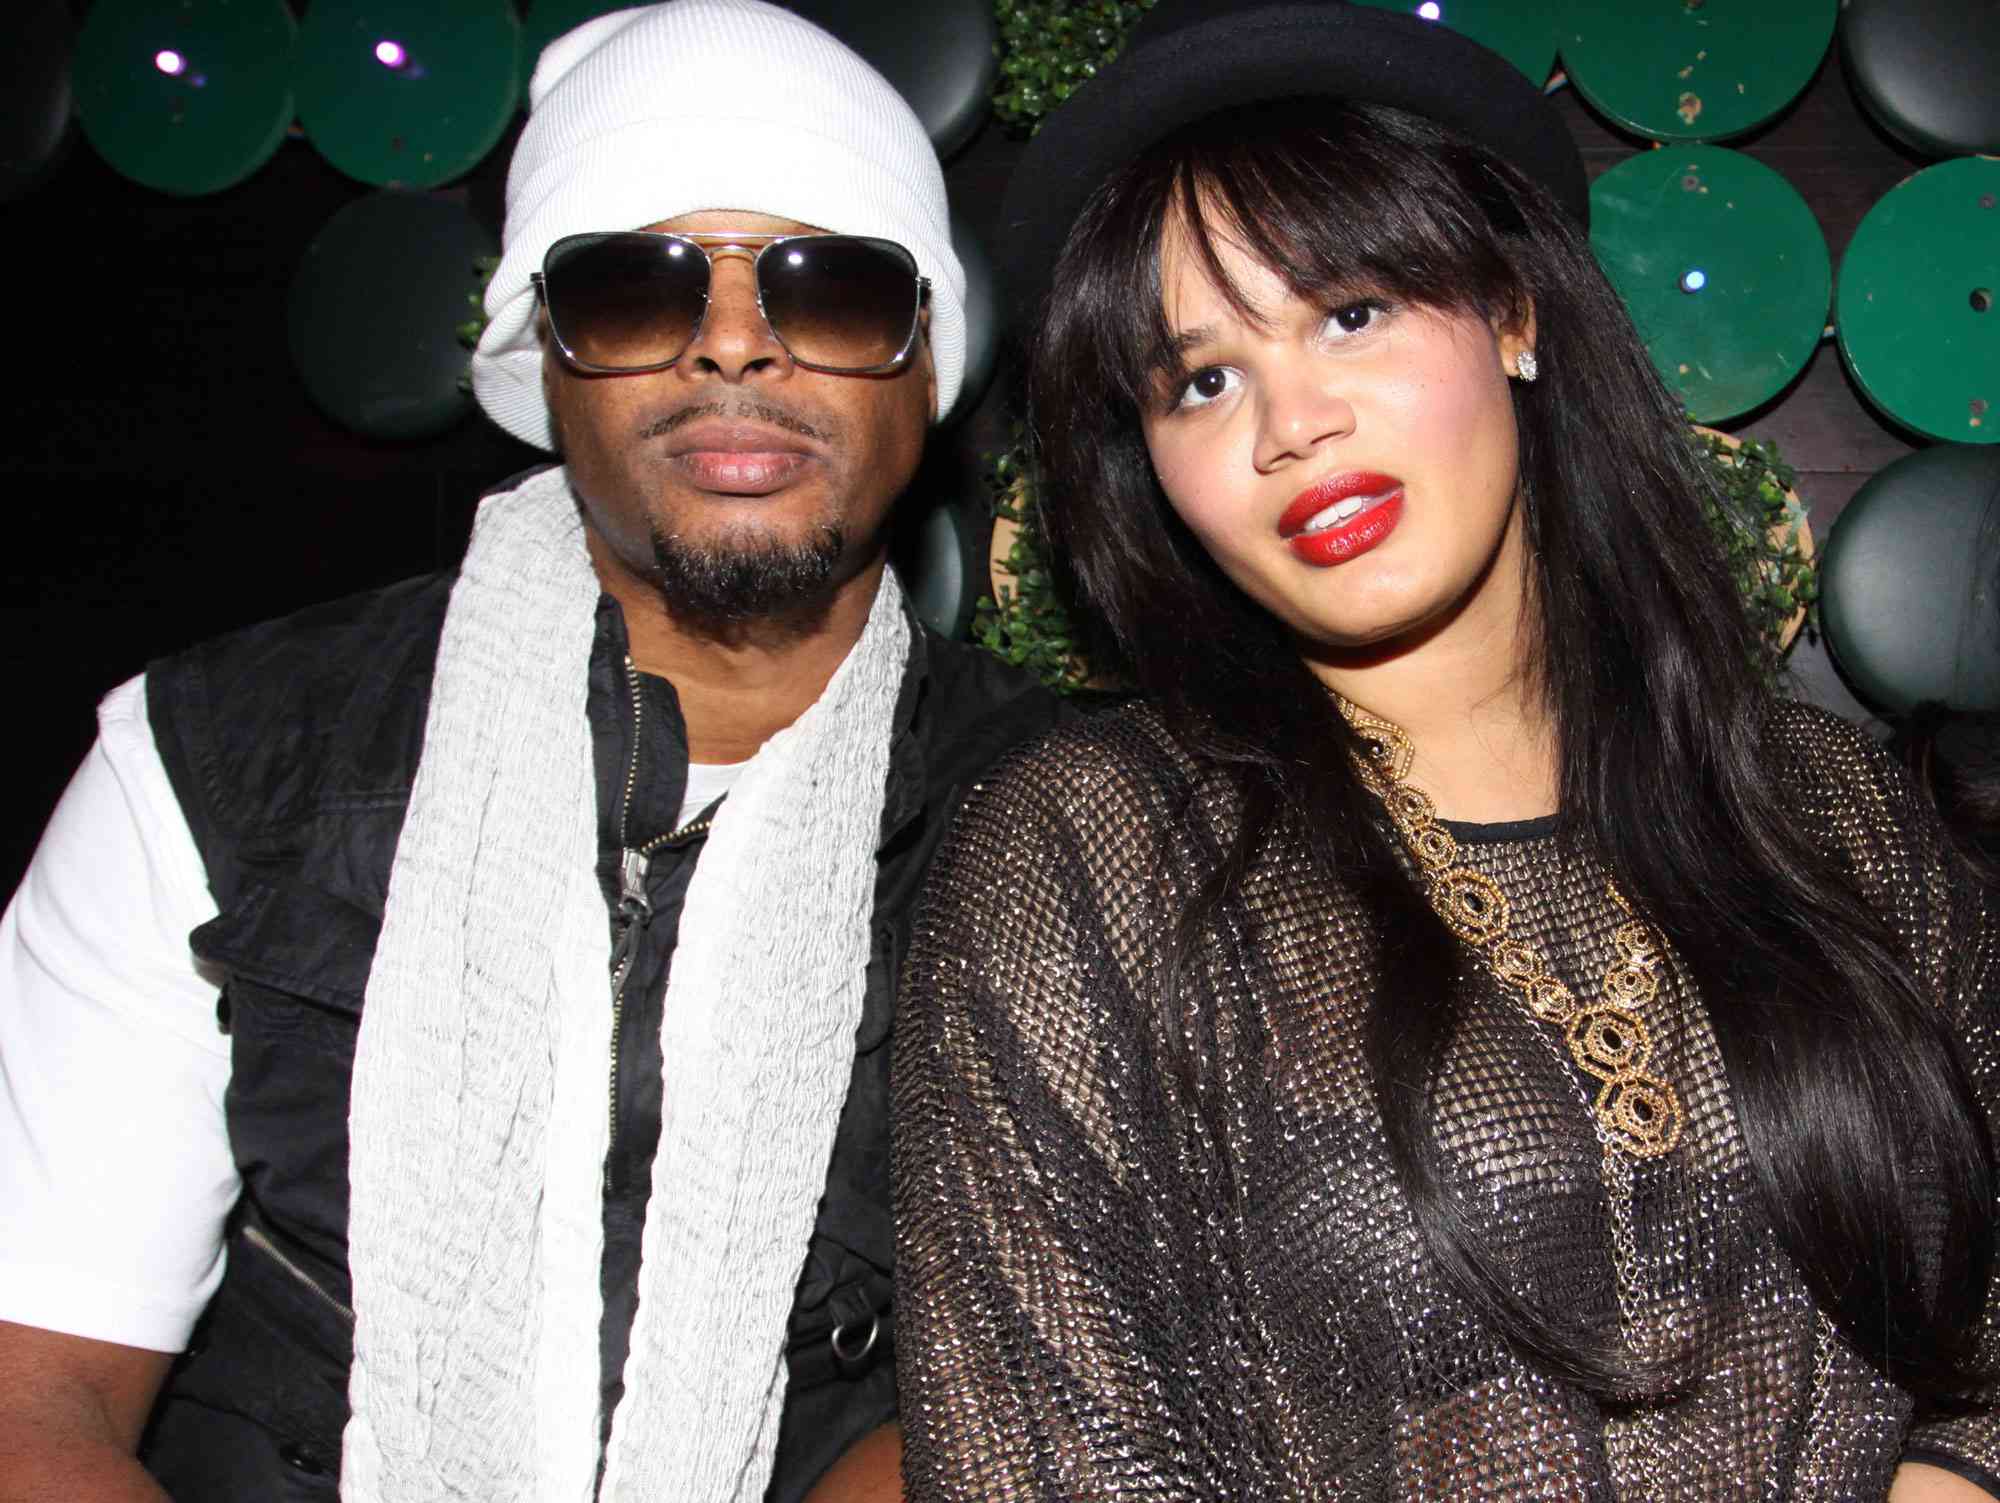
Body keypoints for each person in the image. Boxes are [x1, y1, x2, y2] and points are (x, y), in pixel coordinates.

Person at [891, 2, 2000, 1498]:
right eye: (1201, 379)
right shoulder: (1085, 864)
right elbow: (1046, 1456)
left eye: (1351, 311)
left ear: (1514, 313)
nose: (1294, 422)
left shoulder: (1836, 813)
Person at [0, 2, 1063, 1498]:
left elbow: (1045, 1393)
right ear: (545, 351)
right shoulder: (215, 760)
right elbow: (36, 1387)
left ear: (926, 357)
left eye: (828, 287)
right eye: (638, 285)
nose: (736, 343)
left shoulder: (1067, 826)